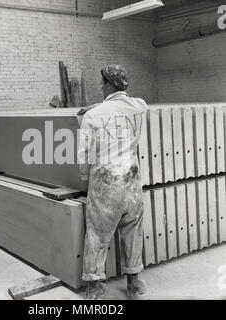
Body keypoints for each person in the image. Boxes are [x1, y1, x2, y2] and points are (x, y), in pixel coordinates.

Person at [77, 65, 147, 299]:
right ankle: (134, 284)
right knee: (133, 233)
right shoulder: (140, 107)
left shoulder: (92, 117)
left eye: (102, 83)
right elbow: (121, 106)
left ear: (107, 85)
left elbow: (84, 156)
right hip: (133, 183)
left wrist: (85, 178)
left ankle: (95, 288)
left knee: (97, 236)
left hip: (106, 185)